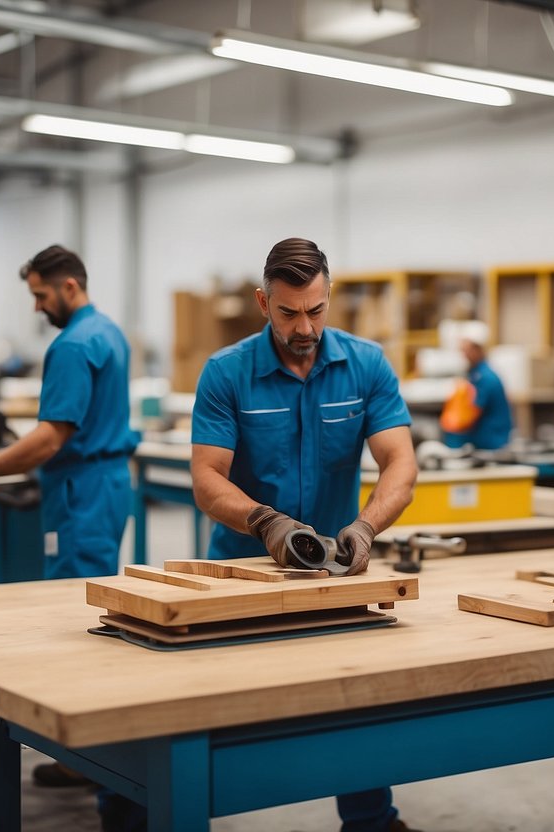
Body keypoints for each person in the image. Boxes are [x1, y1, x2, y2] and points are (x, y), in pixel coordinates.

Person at [191, 237, 420, 832]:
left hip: (335, 572)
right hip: (243, 574)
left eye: (316, 310)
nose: (305, 328)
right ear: (263, 302)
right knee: (223, 709)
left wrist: (366, 526)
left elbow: (400, 463)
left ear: (329, 297)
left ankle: (370, 821)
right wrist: (265, 522)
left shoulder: (366, 365)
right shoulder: (226, 372)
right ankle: (170, 808)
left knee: (355, 700)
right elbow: (208, 479)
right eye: (289, 312)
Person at [0, 244, 139, 793]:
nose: (36, 307)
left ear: (69, 286)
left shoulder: (73, 344)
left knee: (76, 618)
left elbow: (49, 438)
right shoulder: (109, 332)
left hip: (80, 492)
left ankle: (83, 757)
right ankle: (92, 749)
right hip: (106, 484)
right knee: (93, 611)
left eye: (40, 295)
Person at [440, 320, 513, 450]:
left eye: (466, 350)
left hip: (491, 441)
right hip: (486, 438)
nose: (463, 355)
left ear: (477, 349)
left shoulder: (485, 378)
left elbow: (470, 413)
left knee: (453, 436)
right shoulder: (478, 374)